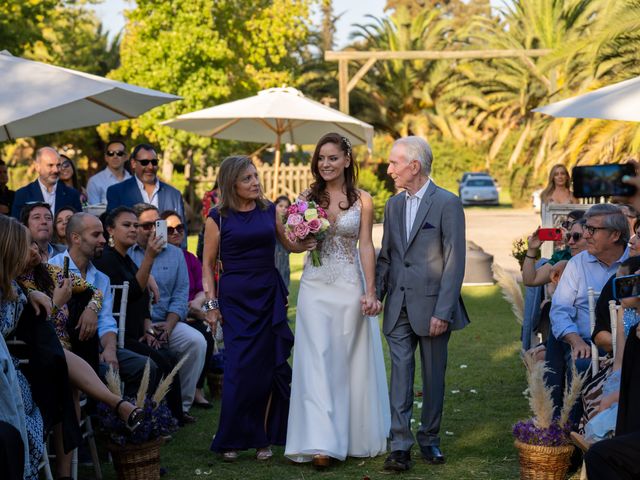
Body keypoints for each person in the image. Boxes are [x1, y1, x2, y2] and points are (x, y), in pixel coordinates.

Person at [284, 134, 390, 468]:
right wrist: (302, 242)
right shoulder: (305, 198)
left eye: (332, 158)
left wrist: (370, 291)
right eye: (320, 158)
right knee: (315, 360)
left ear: (346, 159)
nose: (325, 164)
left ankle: (350, 436)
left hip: (348, 285)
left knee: (345, 362)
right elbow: (292, 244)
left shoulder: (363, 200)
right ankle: (320, 443)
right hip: (315, 286)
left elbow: (366, 246)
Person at [202, 156, 311, 461]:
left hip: (267, 293)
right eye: (247, 178)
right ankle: (233, 437)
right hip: (236, 300)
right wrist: (212, 307)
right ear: (231, 183)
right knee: (238, 368)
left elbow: (289, 244)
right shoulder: (217, 218)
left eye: (255, 176)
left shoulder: (268, 210)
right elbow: (207, 266)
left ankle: (263, 437)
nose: (255, 182)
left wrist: (312, 235)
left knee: (266, 368)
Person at [375, 136, 468, 472]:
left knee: (433, 377)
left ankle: (429, 438)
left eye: (393, 163)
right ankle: (399, 444)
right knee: (400, 373)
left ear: (413, 166)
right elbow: (387, 256)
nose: (388, 170)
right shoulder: (392, 205)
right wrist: (376, 295)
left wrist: (443, 311)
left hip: (432, 308)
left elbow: (455, 260)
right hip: (396, 305)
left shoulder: (447, 203)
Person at [94, 206, 188, 424]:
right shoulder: (108, 260)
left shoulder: (125, 258)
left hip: (142, 329)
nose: (133, 230)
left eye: (136, 225)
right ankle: (149, 420)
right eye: (127, 225)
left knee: (169, 357)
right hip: (118, 335)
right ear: (110, 230)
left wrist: (148, 328)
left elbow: (145, 296)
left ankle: (171, 417)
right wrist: (150, 257)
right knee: (157, 362)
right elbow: (135, 290)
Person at [129, 203, 206, 422]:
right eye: (147, 225)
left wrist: (170, 327)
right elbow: (135, 295)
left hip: (171, 320)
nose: (155, 230)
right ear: (136, 228)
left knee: (197, 341)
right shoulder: (129, 254)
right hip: (140, 324)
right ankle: (153, 407)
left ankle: (181, 407)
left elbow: (182, 294)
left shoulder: (178, 255)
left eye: (158, 224)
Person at [160, 209, 213, 409]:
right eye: (169, 229)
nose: (175, 232)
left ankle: (198, 387)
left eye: (179, 228)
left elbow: (204, 291)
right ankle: (192, 390)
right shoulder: (162, 258)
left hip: (199, 306)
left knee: (211, 323)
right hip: (178, 314)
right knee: (205, 331)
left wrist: (201, 307)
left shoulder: (191, 258)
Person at [105, 143, 185, 229]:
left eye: (154, 162)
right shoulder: (117, 192)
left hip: (166, 242)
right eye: (144, 162)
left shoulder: (174, 194)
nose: (150, 167)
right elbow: (112, 228)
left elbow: (181, 231)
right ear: (133, 163)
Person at [11, 147, 82, 218]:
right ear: (37, 167)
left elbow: (78, 224)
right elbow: (17, 226)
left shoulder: (72, 194)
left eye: (58, 165)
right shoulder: (22, 195)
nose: (56, 170)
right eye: (50, 165)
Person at [86, 140, 131, 205]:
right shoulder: (94, 181)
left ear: (126, 157)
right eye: (110, 153)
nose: (115, 156)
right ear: (106, 157)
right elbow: (92, 211)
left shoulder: (133, 180)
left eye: (119, 153)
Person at [273, 195, 292, 289]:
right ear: (275, 205)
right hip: (273, 255)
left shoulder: (289, 224)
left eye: (286, 207)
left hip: (284, 255)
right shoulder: (269, 221)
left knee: (284, 274)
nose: (283, 209)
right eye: (280, 206)